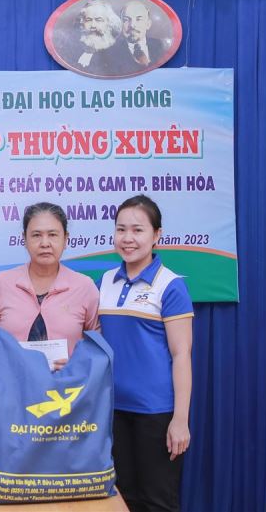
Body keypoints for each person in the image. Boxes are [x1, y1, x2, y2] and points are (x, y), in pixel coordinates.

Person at [98, 194, 193, 512]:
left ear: (156, 235)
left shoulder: (171, 285)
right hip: (112, 411)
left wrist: (180, 420)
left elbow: (182, 355)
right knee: (121, 499)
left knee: (157, 502)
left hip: (156, 414)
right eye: (121, 229)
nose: (128, 238)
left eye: (137, 230)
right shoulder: (105, 281)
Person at [0, 202, 100, 369]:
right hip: (10, 381)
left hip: (67, 383)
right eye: (36, 235)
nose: (45, 243)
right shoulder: (1, 282)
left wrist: (78, 363)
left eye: (53, 235)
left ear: (65, 239)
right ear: (24, 239)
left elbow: (97, 340)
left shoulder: (84, 286)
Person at [101, 0, 169, 76]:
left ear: (148, 24)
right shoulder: (108, 53)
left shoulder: (160, 45)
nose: (132, 25)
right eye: (126, 20)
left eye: (138, 19)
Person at [63, 0, 122, 73]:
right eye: (88, 20)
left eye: (98, 20)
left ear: (109, 23)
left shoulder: (118, 53)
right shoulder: (71, 51)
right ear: (82, 23)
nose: (93, 25)